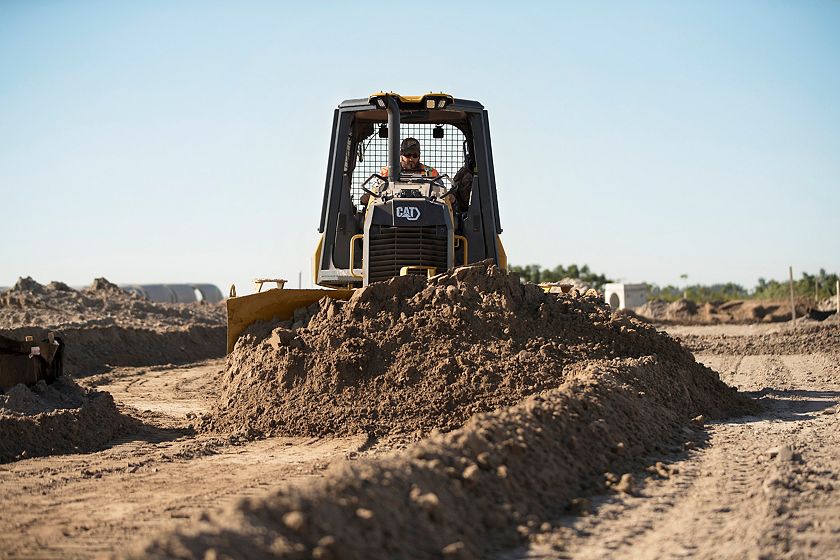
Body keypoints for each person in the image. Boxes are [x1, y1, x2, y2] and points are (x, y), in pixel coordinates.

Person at [360, 137, 438, 207]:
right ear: (401, 154)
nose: (411, 159)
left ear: (419, 156)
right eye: (407, 155)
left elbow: (442, 194)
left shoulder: (431, 173)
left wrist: (450, 196)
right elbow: (375, 190)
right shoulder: (386, 172)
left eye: (415, 155)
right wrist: (368, 196)